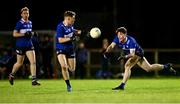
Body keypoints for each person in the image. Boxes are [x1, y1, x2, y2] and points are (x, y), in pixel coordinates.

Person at [104, 27, 176, 90]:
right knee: (149, 68)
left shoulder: (131, 41)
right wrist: (106, 52)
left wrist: (124, 57)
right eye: (118, 34)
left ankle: (122, 85)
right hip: (134, 54)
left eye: (121, 34)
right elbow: (111, 46)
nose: (119, 36)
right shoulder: (117, 38)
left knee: (127, 66)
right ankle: (166, 66)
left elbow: (132, 54)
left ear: (125, 34)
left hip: (137, 53)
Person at [8, 7, 40, 86]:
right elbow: (14, 34)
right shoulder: (19, 23)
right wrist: (24, 34)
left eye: (27, 13)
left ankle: (33, 80)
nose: (26, 15)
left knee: (33, 62)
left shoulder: (30, 22)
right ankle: (11, 75)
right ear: (21, 14)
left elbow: (28, 34)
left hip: (29, 45)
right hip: (20, 46)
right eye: (24, 13)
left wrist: (33, 34)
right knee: (19, 63)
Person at [55, 11, 81, 92]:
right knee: (64, 66)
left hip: (70, 48)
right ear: (68, 19)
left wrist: (80, 32)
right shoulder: (60, 27)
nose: (74, 20)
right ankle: (68, 85)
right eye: (73, 19)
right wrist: (71, 39)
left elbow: (72, 30)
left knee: (72, 69)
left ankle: (66, 69)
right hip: (61, 48)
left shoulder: (71, 25)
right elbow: (60, 40)